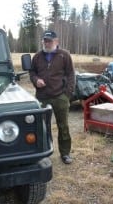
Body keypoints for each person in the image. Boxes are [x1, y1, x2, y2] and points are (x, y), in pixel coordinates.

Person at [29, 30, 76, 164]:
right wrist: (36, 80)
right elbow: (32, 72)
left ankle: (65, 153)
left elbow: (71, 75)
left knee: (63, 127)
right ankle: (43, 153)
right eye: (45, 40)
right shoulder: (37, 57)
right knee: (41, 127)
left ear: (56, 41)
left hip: (60, 97)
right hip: (42, 97)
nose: (46, 43)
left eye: (49, 40)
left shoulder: (64, 55)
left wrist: (67, 94)